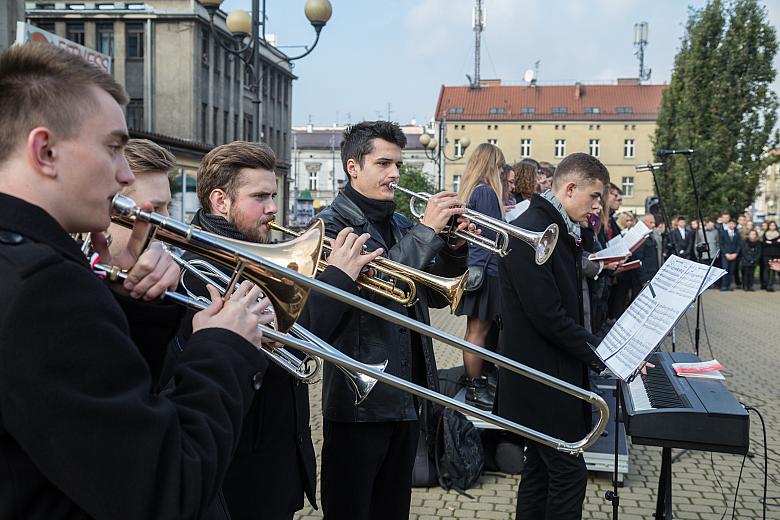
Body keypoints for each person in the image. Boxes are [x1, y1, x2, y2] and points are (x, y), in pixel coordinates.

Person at [0, 43, 272, 520]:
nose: (125, 173)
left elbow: (83, 425)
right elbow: (165, 491)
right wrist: (224, 350)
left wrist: (131, 309)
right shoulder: (47, 289)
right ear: (45, 151)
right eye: (113, 148)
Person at [163, 140, 381, 520]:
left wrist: (348, 287)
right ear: (220, 201)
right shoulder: (201, 270)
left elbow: (311, 341)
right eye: (260, 197)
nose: (272, 209)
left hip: (277, 458)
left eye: (273, 196)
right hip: (242, 474)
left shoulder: (255, 251)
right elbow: (285, 347)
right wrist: (338, 282)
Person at [315, 121, 470, 520]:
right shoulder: (331, 225)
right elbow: (380, 285)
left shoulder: (401, 224)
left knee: (392, 509)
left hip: (407, 396)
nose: (395, 174)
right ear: (353, 166)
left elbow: (436, 294)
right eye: (383, 163)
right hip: (360, 402)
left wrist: (453, 247)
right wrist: (427, 232)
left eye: (397, 164)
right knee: (350, 510)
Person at [497, 152, 609, 520]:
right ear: (571, 188)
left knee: (540, 472)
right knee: (567, 473)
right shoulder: (532, 228)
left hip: (550, 374)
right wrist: (604, 352)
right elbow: (549, 317)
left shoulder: (554, 227)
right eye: (594, 197)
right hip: (540, 378)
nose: (596, 207)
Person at [456, 142, 507, 410]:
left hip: (479, 269)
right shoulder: (486, 192)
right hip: (487, 270)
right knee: (478, 331)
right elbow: (489, 237)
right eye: (499, 165)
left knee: (476, 330)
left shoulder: (475, 190)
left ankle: (476, 381)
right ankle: (475, 386)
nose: (502, 171)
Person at [720, 219, 741, 291]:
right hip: (725, 255)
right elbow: (721, 244)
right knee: (725, 270)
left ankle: (729, 285)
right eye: (730, 224)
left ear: (735, 225)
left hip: (734, 255)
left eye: (733, 224)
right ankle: (724, 285)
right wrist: (726, 253)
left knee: (731, 271)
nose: (732, 225)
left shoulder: (737, 233)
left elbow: (739, 245)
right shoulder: (723, 233)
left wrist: (736, 254)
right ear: (728, 224)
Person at [762, 220, 779, 292]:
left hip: (776, 255)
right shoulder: (765, 234)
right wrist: (775, 242)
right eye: (771, 225)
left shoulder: (778, 234)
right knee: (767, 269)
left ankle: (770, 285)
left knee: (774, 270)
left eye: (774, 225)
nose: (772, 227)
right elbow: (764, 244)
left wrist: (771, 242)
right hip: (767, 255)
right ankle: (765, 284)